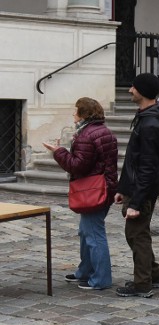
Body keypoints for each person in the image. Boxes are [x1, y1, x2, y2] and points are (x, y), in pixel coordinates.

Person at [44, 98, 118, 291]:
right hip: (104, 187)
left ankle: (100, 279)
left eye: (76, 111)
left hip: (93, 190)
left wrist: (59, 152)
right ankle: (84, 271)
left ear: (84, 114)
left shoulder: (87, 135)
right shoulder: (103, 131)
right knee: (86, 232)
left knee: (93, 234)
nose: (73, 115)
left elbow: (78, 165)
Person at [114, 73, 159, 297]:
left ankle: (143, 284)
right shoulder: (146, 117)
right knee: (137, 234)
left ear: (143, 92)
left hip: (142, 191)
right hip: (136, 187)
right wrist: (123, 187)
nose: (129, 90)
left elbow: (147, 167)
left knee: (137, 235)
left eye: (133, 87)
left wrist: (136, 201)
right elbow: (133, 159)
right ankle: (153, 276)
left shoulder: (151, 124)